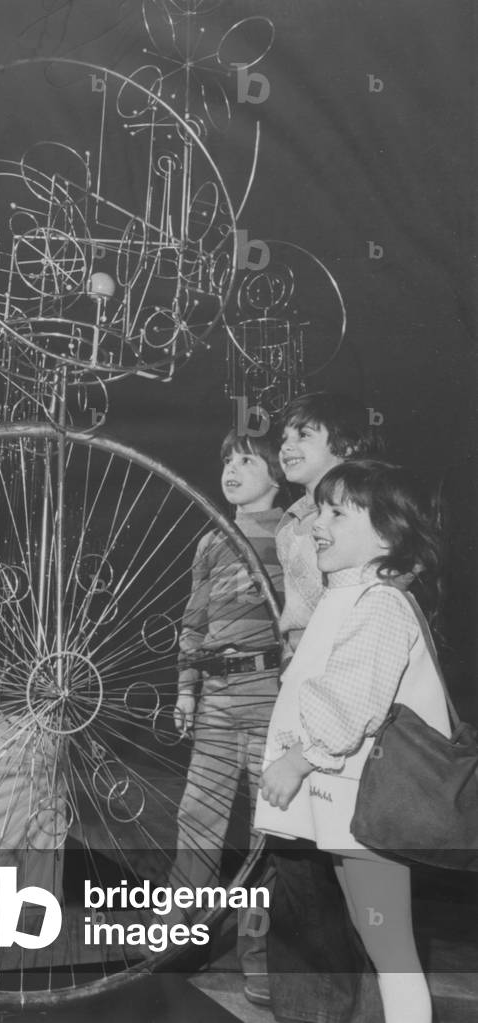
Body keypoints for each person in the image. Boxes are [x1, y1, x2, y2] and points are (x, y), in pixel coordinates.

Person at [256, 460, 449, 1023]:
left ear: (389, 534)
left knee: (391, 948)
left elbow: (351, 704)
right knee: (375, 933)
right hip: (346, 807)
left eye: (340, 512)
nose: (320, 520)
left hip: (366, 808)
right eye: (321, 507)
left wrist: (300, 759)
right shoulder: (348, 595)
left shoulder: (380, 604)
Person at [267, 391, 384, 1023]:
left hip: (347, 703)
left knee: (356, 871)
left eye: (304, 434)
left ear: (344, 445)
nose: (286, 445)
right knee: (299, 863)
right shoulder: (292, 520)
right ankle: (308, 1011)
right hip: (301, 691)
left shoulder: (365, 508)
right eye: (284, 434)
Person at [171, 427, 284, 1006]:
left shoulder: (297, 533)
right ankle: (174, 941)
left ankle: (261, 962)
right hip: (216, 697)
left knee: (270, 835)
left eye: (247, 460)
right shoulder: (212, 540)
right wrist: (186, 691)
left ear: (277, 473)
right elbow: (192, 624)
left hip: (272, 697)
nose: (232, 470)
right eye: (228, 461)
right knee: (198, 817)